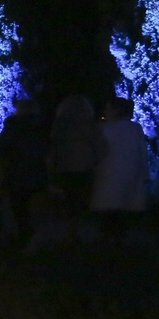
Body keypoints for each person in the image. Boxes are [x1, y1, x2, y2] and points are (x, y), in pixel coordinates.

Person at [0, 98, 50, 246]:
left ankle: (20, 235)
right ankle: (31, 236)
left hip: (16, 172)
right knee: (31, 206)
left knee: (16, 205)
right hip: (37, 173)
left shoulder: (13, 126)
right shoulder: (42, 128)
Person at [91, 96, 148, 242]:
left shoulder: (104, 129)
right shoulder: (135, 128)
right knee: (123, 205)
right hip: (130, 171)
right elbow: (142, 150)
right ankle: (118, 238)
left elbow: (97, 151)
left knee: (109, 205)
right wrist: (144, 173)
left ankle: (109, 238)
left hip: (108, 171)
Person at [48, 94, 98, 237]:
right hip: (85, 167)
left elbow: (53, 146)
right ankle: (77, 231)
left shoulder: (59, 125)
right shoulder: (90, 125)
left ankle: (67, 231)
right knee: (81, 199)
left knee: (67, 199)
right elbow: (101, 147)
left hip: (64, 167)